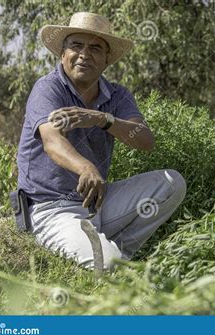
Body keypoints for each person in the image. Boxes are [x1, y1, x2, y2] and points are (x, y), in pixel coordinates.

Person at [16, 12, 186, 271]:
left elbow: (145, 140)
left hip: (97, 204)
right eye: (76, 45)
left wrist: (101, 118)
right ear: (62, 53)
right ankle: (110, 261)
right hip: (51, 209)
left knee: (172, 183)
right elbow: (52, 141)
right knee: (107, 263)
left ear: (107, 59)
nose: (85, 54)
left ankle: (118, 253)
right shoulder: (48, 88)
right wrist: (85, 167)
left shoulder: (116, 95)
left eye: (95, 47)